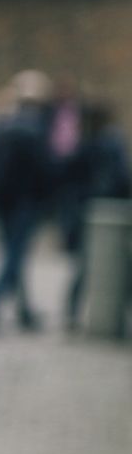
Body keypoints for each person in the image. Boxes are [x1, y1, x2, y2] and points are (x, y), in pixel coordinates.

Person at [0, 70, 57, 332]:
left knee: (14, 254)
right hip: (25, 201)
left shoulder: (1, 124)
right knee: (14, 256)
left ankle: (24, 311)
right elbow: (45, 168)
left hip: (2, 201)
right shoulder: (33, 129)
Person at [60, 101, 132, 330]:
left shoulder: (82, 142)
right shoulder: (111, 141)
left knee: (84, 265)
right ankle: (113, 316)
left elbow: (65, 175)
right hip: (109, 210)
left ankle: (72, 312)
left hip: (82, 210)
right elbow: (121, 177)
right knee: (115, 265)